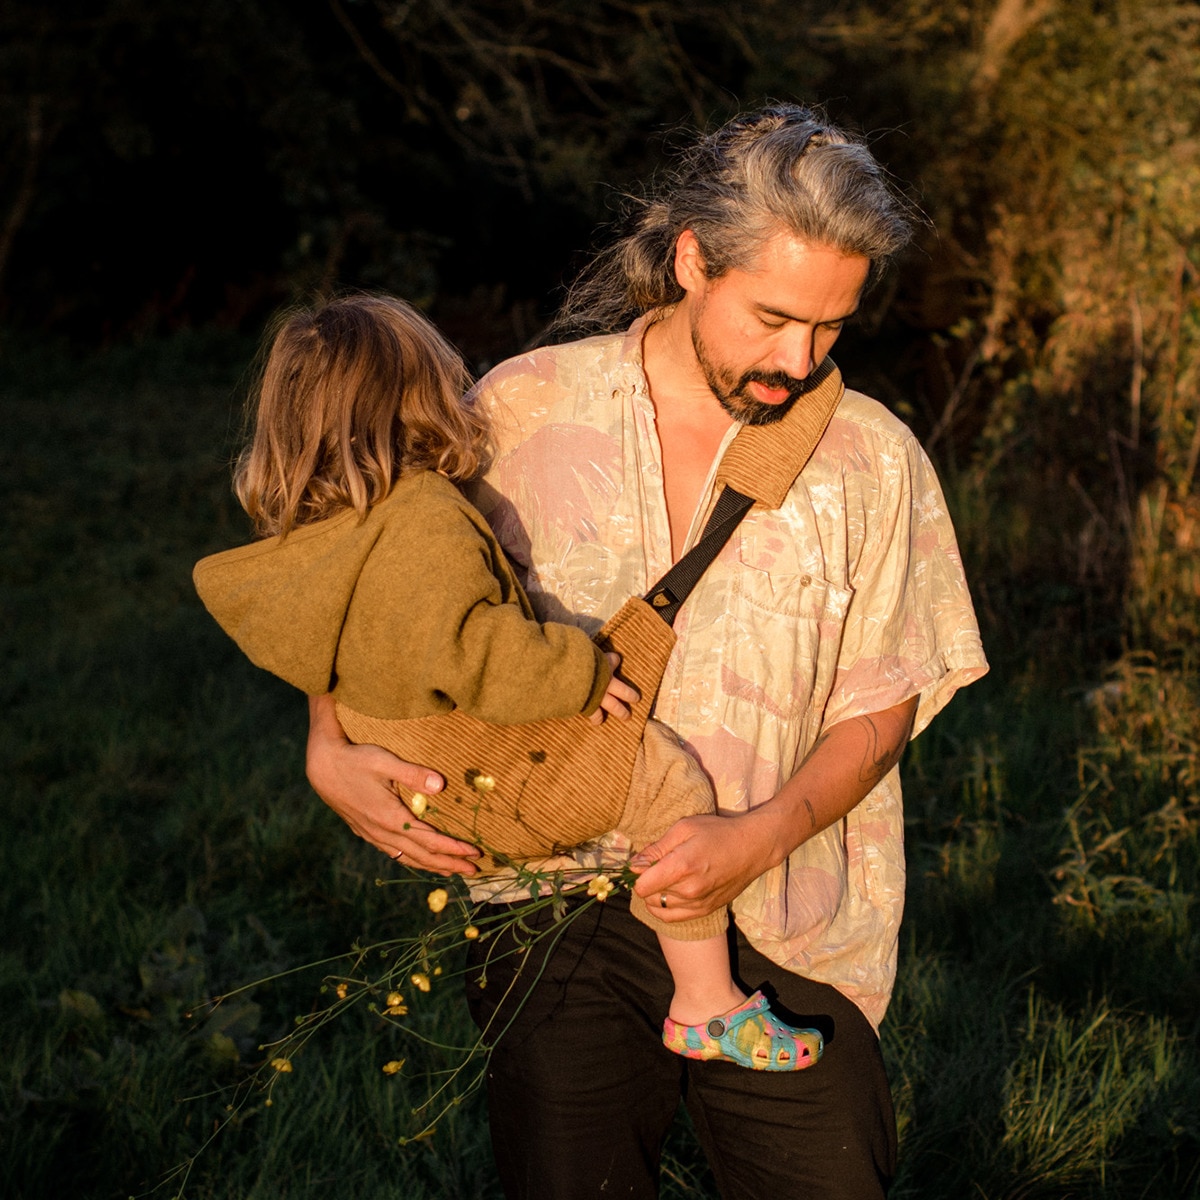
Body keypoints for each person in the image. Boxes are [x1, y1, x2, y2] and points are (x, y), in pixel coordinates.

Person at [305, 104, 989, 1197]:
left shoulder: (874, 460)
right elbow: (382, 581)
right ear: (689, 262)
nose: (799, 359)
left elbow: (885, 703)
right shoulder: (519, 411)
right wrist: (327, 743)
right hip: (554, 902)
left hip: (791, 915)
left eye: (830, 328)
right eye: (772, 318)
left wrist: (756, 834)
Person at [193, 292, 825, 1072]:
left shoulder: (313, 535)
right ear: (420, 398)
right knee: (669, 786)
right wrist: (583, 672)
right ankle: (705, 1005)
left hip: (411, 773)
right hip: (476, 762)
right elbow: (474, 650)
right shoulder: (423, 516)